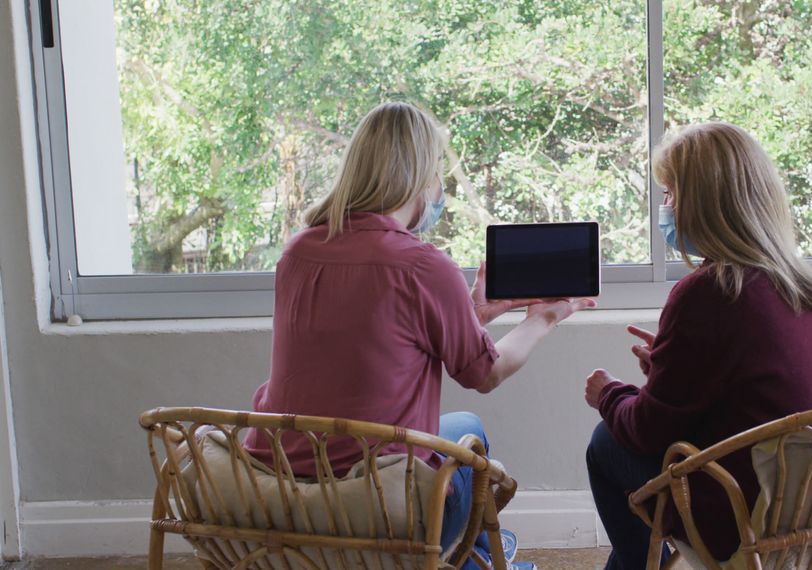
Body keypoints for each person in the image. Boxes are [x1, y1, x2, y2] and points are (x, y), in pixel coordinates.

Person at [243, 101, 594, 570]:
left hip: (283, 491)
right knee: (470, 433)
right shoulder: (423, 265)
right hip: (377, 508)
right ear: (419, 178)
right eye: (437, 175)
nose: (440, 189)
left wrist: (470, 314)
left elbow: (377, 338)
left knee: (458, 433)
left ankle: (479, 562)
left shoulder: (298, 252)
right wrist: (544, 318)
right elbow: (484, 373)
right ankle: (481, 561)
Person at [583, 122, 812, 569]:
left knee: (606, 440)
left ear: (707, 203)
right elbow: (755, 392)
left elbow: (648, 430)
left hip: (747, 512)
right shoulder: (799, 284)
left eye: (670, 194)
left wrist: (609, 393)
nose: (664, 208)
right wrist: (669, 368)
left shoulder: (709, 292)